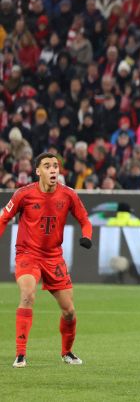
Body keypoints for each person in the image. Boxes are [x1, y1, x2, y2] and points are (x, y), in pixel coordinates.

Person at [0, 152, 93, 368]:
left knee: (69, 310)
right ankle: (20, 354)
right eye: (47, 166)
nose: (53, 170)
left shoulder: (68, 195)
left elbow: (84, 220)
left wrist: (87, 236)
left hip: (54, 257)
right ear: (37, 171)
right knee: (27, 294)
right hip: (27, 254)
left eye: (55, 166)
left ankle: (67, 352)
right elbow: (4, 218)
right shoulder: (23, 194)